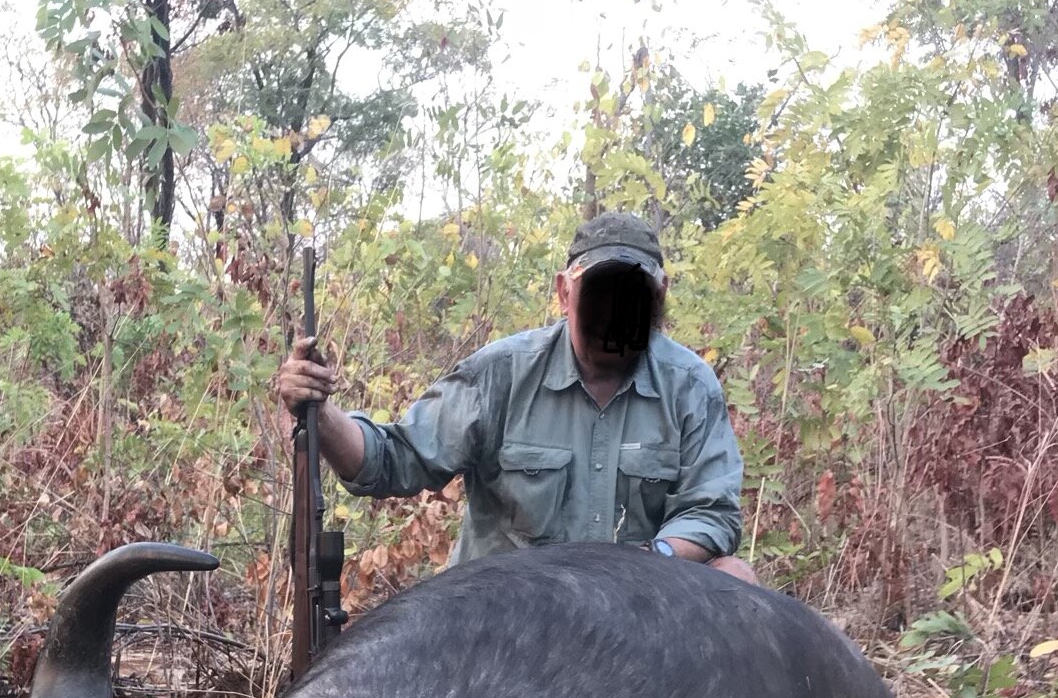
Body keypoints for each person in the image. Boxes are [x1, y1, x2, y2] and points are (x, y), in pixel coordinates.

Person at [275, 211, 756, 582]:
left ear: (659, 297)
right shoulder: (500, 374)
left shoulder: (689, 385)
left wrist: (653, 560)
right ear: (565, 293)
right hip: (508, 613)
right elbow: (393, 458)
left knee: (735, 580)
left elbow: (710, 511)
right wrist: (321, 413)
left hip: (636, 603)